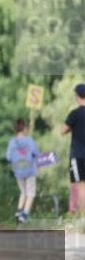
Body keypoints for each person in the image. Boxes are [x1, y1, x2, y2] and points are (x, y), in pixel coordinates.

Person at [5, 118, 39, 223]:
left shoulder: (12, 142)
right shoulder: (30, 140)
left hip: (18, 171)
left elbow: (8, 157)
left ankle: (19, 211)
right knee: (31, 193)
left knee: (23, 192)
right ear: (25, 128)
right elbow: (37, 154)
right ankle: (24, 215)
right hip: (30, 170)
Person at [60, 83, 85, 218]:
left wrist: (72, 127)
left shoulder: (75, 114)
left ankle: (83, 218)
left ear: (77, 96)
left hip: (78, 155)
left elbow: (62, 130)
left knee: (81, 186)